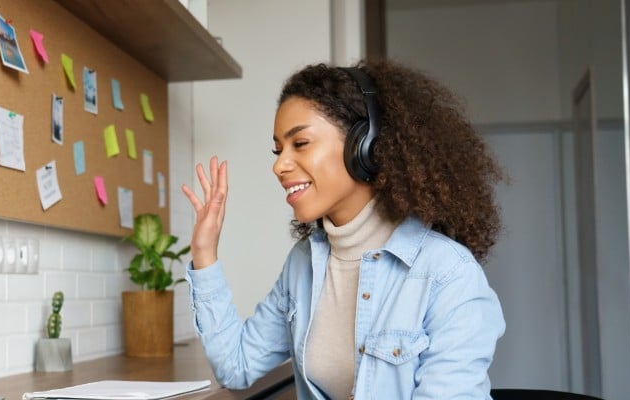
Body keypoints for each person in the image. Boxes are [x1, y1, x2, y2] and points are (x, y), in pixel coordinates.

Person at [180, 58, 506, 400]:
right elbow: (237, 366)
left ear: (364, 146)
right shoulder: (303, 263)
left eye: (300, 143)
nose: (279, 165)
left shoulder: (448, 275)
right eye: (277, 150)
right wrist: (205, 255)